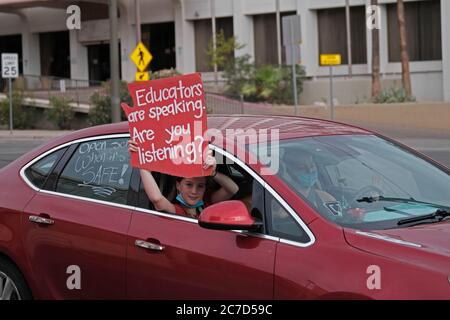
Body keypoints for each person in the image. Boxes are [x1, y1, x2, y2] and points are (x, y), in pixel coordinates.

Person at [128, 140, 239, 219]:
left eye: (200, 186)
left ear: (205, 187)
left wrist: (213, 173)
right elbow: (157, 200)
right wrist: (142, 165)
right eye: (189, 184)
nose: (194, 191)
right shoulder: (178, 210)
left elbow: (232, 189)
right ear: (178, 185)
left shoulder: (207, 203)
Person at [281, 150, 342, 217]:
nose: (309, 171)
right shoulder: (278, 200)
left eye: (312, 166)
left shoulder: (327, 198)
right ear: (289, 171)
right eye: (302, 167)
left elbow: (340, 219)